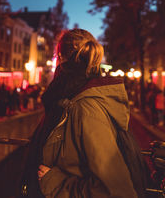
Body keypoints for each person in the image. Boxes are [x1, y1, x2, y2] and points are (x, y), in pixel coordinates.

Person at [22, 29, 139, 198]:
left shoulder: (85, 107)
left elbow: (117, 191)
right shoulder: (66, 102)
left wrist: (55, 182)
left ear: (60, 58)